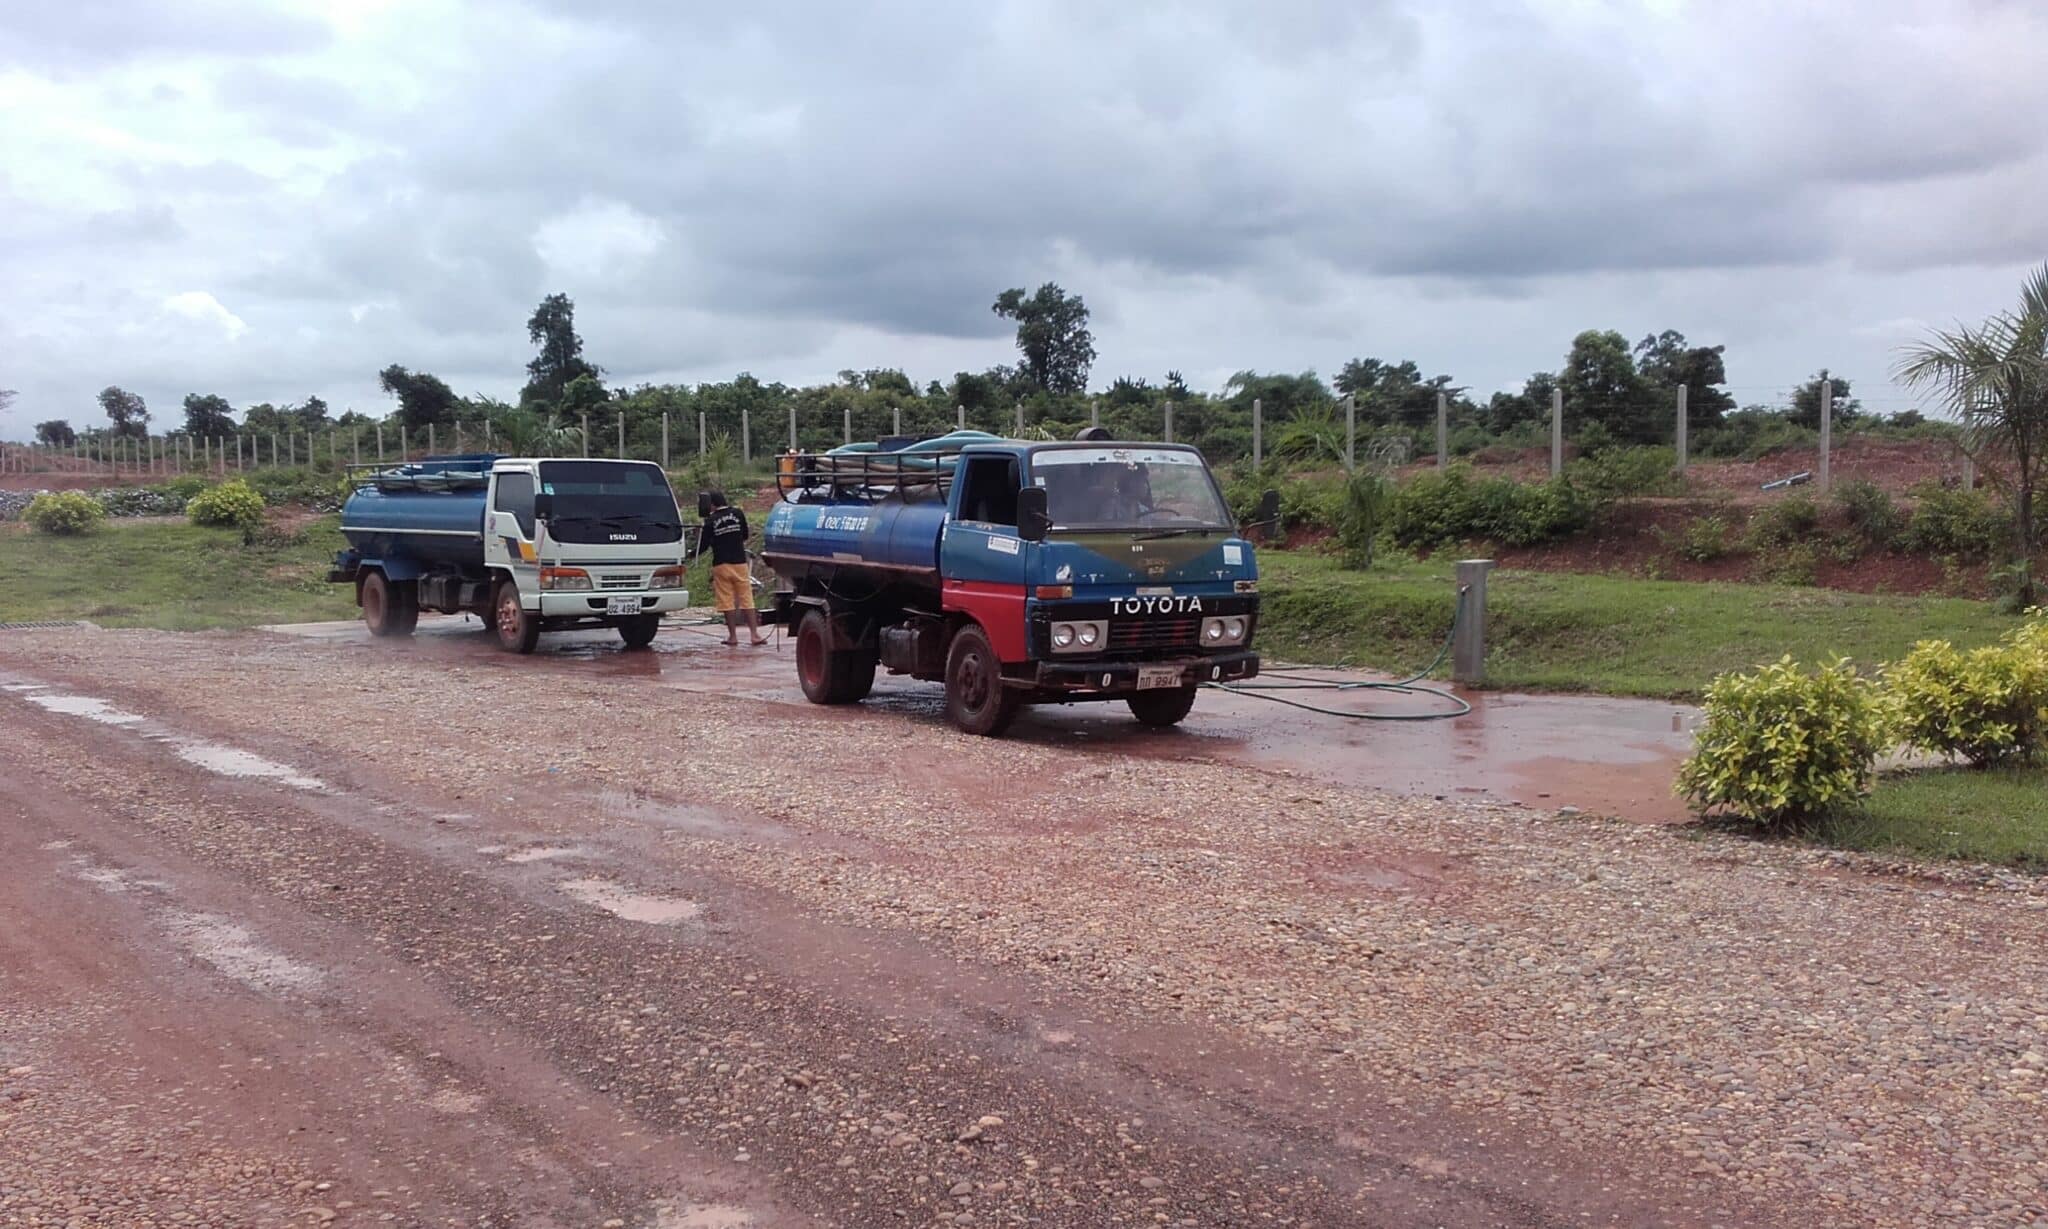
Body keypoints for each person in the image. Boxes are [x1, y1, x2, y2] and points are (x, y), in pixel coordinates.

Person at [691, 491, 769, 646]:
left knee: (727, 601)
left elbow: (704, 546)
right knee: (747, 599)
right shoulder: (738, 513)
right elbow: (745, 535)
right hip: (740, 563)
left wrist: (691, 554)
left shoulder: (710, 521)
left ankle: (733, 637)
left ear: (711, 504)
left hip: (721, 565)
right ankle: (754, 635)